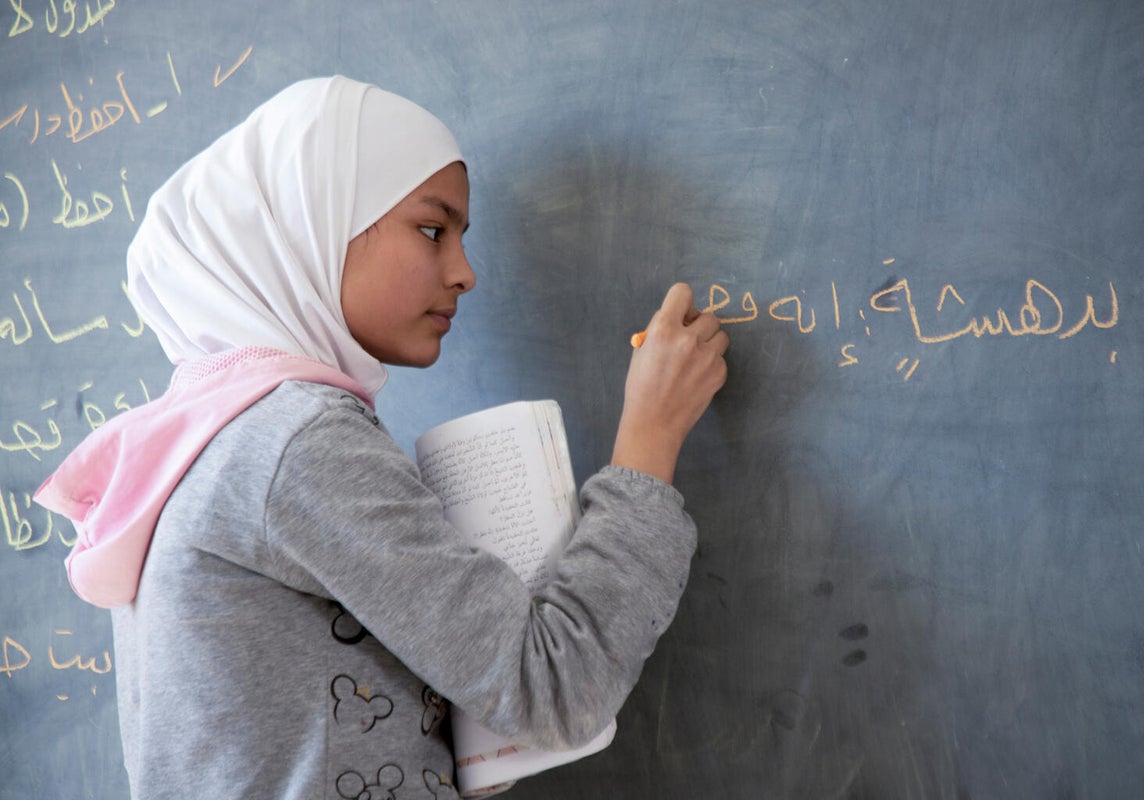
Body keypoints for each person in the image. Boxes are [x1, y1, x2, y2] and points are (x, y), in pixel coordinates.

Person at [35, 76, 728, 800]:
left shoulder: (209, 434)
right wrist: (652, 433)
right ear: (313, 221)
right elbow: (553, 690)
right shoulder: (296, 442)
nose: (464, 273)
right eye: (433, 229)